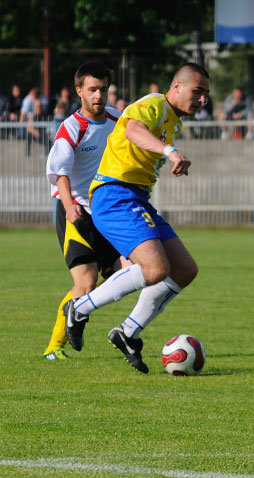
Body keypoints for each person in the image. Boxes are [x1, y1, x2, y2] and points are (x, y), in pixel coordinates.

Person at [63, 63, 210, 374]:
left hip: (137, 197)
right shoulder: (154, 104)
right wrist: (170, 151)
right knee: (155, 268)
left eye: (206, 95)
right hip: (113, 194)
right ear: (177, 86)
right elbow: (132, 129)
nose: (202, 100)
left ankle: (128, 332)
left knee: (184, 269)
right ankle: (79, 308)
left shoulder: (173, 121)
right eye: (197, 92)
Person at [43, 62, 126, 361]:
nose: (99, 95)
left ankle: (77, 308)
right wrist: (68, 207)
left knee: (133, 273)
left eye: (103, 89)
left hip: (107, 214)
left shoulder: (118, 119)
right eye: (92, 89)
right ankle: (54, 347)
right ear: (79, 91)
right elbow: (59, 173)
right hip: (75, 212)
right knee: (86, 282)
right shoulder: (72, 128)